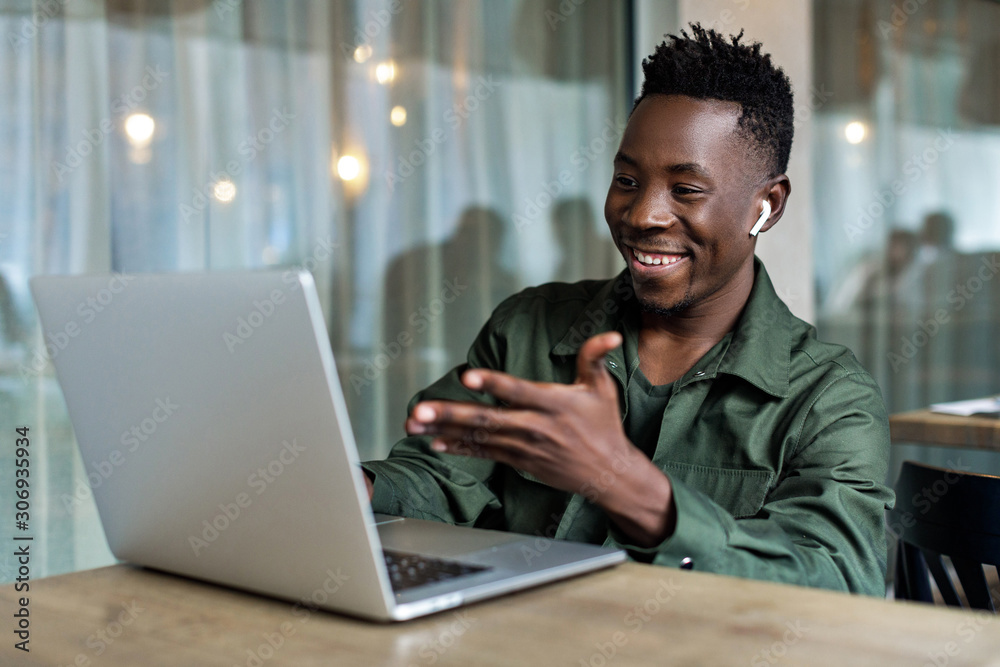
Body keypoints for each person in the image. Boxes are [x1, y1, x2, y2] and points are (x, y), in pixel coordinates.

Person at [362, 24, 894, 596]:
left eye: (686, 190)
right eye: (626, 180)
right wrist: (347, 489)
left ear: (766, 205)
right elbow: (437, 481)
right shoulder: (528, 330)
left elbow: (838, 580)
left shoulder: (828, 400)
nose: (643, 215)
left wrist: (626, 487)